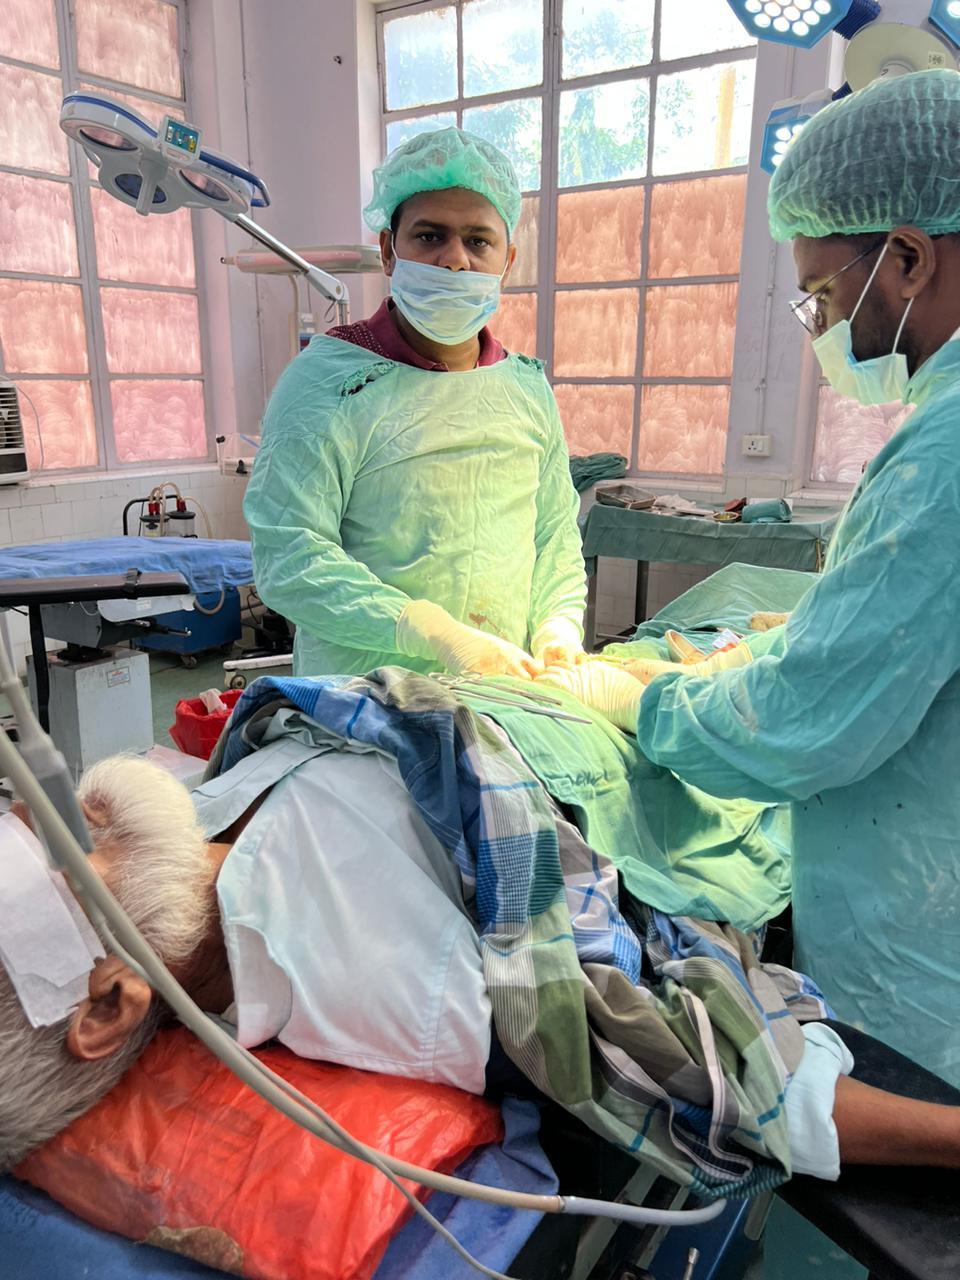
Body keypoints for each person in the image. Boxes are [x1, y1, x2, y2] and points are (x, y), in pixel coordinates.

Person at [538, 69, 960, 1097]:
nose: (820, 327)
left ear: (908, 257)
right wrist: (758, 650)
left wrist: (650, 700)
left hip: (923, 967)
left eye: (823, 295)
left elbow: (810, 718)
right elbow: (891, 634)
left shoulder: (946, 453)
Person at [4, 747, 960, 1194]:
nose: (32, 812)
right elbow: (722, 1083)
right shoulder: (410, 995)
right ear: (108, 1005)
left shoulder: (192, 819)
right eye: (39, 861)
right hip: (635, 765)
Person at [244, 127, 586, 680]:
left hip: (501, 691)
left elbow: (555, 536)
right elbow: (290, 555)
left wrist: (558, 626)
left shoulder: (524, 389)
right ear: (388, 250)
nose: (455, 260)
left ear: (507, 261)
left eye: (478, 241)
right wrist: (422, 628)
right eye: (430, 236)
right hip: (363, 699)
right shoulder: (329, 384)